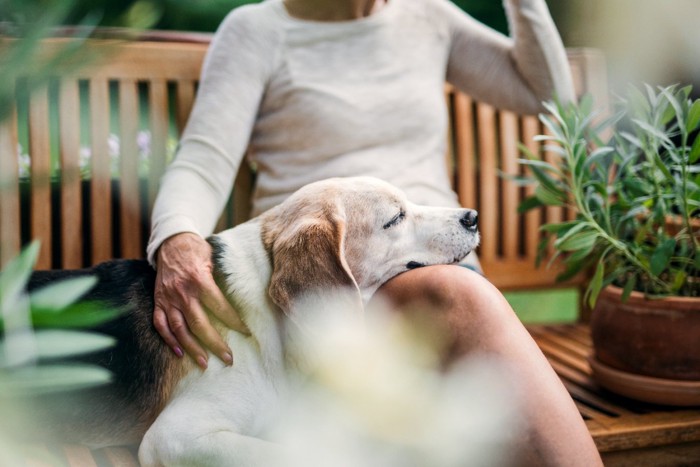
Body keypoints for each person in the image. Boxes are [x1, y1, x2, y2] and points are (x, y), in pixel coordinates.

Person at [146, 0, 603, 464]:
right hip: (320, 276)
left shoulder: (429, 17)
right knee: (462, 299)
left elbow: (547, 96)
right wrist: (178, 240)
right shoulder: (257, 30)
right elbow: (203, 161)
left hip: (430, 253)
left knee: (462, 316)